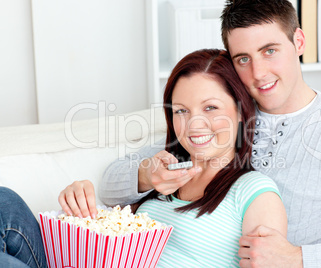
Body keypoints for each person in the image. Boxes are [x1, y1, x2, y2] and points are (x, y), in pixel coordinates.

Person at [96, 0, 321, 267]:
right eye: (243, 58)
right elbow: (119, 178)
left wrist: (299, 259)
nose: (258, 73)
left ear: (299, 42)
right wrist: (146, 176)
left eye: (270, 51)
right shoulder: (225, 113)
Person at [0, 49, 287, 267]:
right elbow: (110, 203)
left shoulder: (254, 192)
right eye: (181, 111)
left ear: (240, 112)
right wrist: (79, 212)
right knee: (5, 202)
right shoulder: (165, 165)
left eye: (210, 108)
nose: (194, 125)